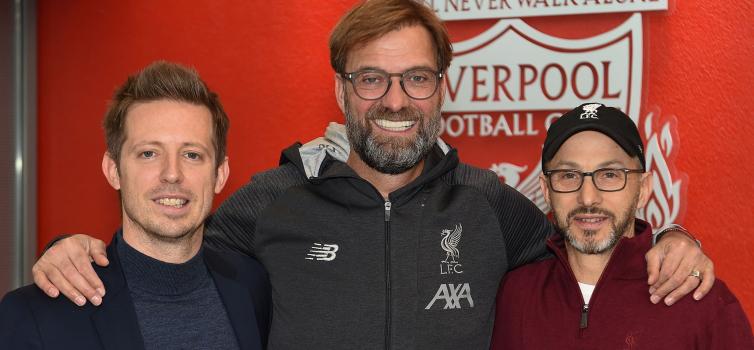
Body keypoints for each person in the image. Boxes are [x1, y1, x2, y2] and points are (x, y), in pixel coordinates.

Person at [30, 1, 712, 349]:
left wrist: (668, 233)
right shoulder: (269, 201)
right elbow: (168, 244)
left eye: (416, 78)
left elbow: (585, 248)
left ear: (441, 89)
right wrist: (79, 248)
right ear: (341, 90)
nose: (394, 100)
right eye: (371, 78)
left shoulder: (493, 205)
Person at [0, 61, 270, 350]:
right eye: (149, 153)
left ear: (220, 175)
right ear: (113, 170)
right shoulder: (35, 315)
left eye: (192, 155)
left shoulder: (257, 289)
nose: (172, 173)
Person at [491, 103, 754, 349]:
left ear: (643, 188)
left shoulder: (701, 302)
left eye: (609, 175)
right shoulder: (515, 296)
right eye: (569, 176)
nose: (588, 198)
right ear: (546, 191)